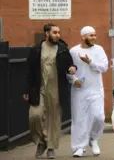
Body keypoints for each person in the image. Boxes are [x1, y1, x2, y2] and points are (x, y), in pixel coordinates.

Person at [24, 23, 77, 159]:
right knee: (34, 115)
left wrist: (72, 68)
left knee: (53, 119)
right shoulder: (36, 49)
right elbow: (29, 71)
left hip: (56, 88)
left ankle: (51, 147)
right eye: (55, 32)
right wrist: (26, 90)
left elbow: (69, 64)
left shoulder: (62, 49)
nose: (58, 35)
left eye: (59, 32)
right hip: (39, 87)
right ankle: (41, 141)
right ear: (46, 34)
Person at [68, 26, 109, 157]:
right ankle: (79, 147)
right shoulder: (73, 51)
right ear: (83, 36)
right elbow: (67, 70)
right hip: (79, 91)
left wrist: (90, 62)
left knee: (99, 117)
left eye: (95, 35)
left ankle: (93, 139)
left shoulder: (99, 49)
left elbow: (104, 67)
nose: (94, 38)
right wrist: (74, 80)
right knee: (79, 119)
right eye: (91, 35)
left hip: (96, 89)